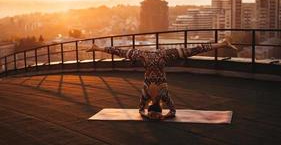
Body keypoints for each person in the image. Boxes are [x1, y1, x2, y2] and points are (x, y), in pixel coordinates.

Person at [87, 37, 237, 120]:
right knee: (191, 50)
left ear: (160, 105)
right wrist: (150, 115)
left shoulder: (163, 95)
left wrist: (163, 117)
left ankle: (222, 43)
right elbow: (141, 110)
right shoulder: (145, 94)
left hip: (158, 57)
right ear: (151, 104)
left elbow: (172, 112)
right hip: (152, 56)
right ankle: (222, 43)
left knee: (191, 50)